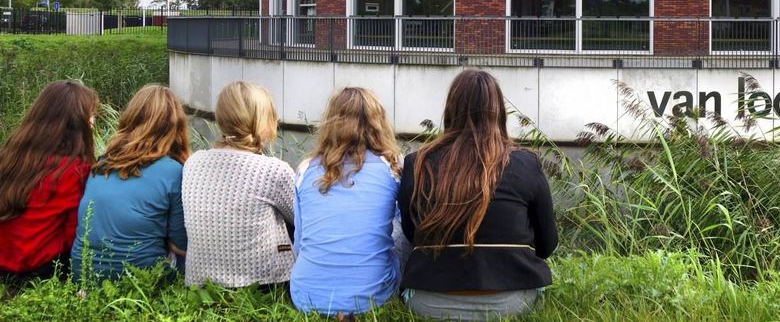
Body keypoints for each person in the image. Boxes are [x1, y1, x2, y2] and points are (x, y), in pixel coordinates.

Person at [398, 69, 558, 320]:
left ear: (451, 109)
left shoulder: (417, 162)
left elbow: (411, 234)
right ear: (498, 111)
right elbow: (547, 244)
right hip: (511, 302)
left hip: (428, 301)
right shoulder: (526, 162)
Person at [290, 87, 403, 317]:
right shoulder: (393, 168)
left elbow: (300, 242)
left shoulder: (305, 169)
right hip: (374, 296)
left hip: (307, 296)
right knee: (400, 229)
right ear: (378, 123)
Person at [70, 85, 191, 280]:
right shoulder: (174, 171)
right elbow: (181, 246)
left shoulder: (102, 162)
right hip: (139, 278)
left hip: (83, 273)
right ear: (176, 126)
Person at [182, 81, 295, 288]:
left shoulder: (193, 162)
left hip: (201, 284)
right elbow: (301, 219)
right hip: (262, 283)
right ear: (263, 121)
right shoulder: (274, 170)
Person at [0, 81, 97, 280]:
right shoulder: (74, 171)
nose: (93, 121)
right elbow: (75, 234)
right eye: (90, 114)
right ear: (76, 122)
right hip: (37, 268)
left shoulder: (12, 155)